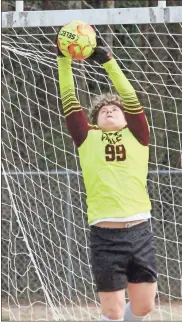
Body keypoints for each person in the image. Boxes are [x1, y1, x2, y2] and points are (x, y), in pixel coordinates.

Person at [56, 33, 157, 321]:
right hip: (105, 234)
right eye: (103, 111)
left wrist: (110, 64)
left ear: (126, 119)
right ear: (95, 121)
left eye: (115, 110)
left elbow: (130, 98)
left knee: (143, 308)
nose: (110, 110)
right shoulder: (86, 137)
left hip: (140, 230)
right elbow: (69, 99)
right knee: (111, 312)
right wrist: (64, 61)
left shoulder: (138, 136)